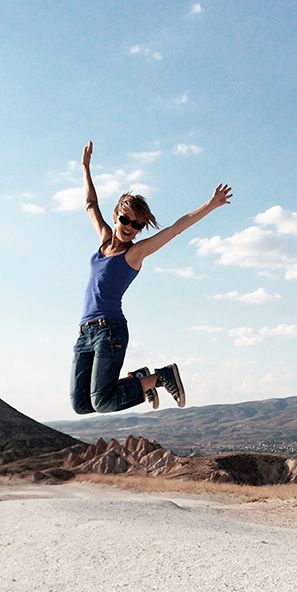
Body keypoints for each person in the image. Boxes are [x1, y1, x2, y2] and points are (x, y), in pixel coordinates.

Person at [70, 141, 232, 416]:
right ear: (116, 216)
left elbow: (176, 228)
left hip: (110, 331)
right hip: (85, 332)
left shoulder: (135, 253)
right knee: (82, 405)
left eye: (137, 225)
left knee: (104, 402)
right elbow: (90, 204)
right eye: (125, 220)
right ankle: (141, 378)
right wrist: (85, 168)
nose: (129, 228)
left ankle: (160, 376)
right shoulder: (104, 239)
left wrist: (211, 204)